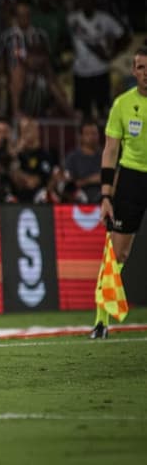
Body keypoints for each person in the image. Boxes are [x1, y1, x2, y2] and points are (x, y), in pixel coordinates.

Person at [93, 47, 147, 339]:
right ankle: (101, 320)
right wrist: (105, 196)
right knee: (117, 252)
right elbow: (110, 151)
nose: (145, 73)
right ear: (133, 71)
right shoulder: (122, 105)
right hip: (132, 179)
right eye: (140, 68)